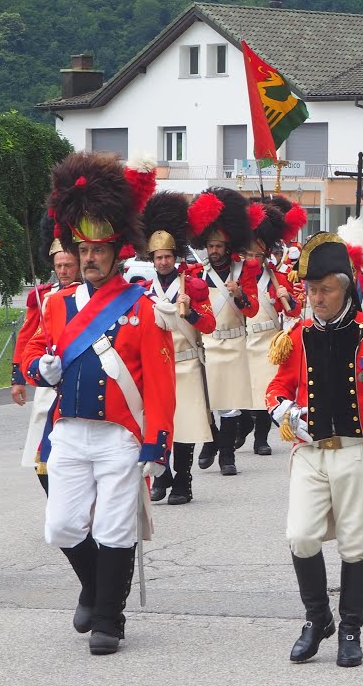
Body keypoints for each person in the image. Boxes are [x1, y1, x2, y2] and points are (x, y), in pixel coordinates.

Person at [20, 151, 174, 656]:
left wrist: (158, 444)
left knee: (114, 527)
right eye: (82, 249)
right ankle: (95, 587)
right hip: (67, 430)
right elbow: (33, 357)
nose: (88, 258)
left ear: (117, 252)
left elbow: (160, 384)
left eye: (97, 250)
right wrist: (37, 370)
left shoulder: (141, 307)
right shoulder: (57, 304)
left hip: (119, 434)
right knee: (62, 525)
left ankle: (110, 617)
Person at [265, 220, 363, 668]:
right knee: (301, 535)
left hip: (359, 451)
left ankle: (350, 628)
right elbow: (275, 388)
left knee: (355, 543)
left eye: (326, 289)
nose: (317, 298)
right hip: (310, 452)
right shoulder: (296, 336)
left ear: (345, 288)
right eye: (311, 290)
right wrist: (282, 411)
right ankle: (317, 618)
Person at [141, 191, 216, 505]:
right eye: (158, 257)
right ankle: (164, 477)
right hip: (157, 365)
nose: (163, 261)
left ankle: (183, 482)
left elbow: (210, 325)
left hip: (185, 362)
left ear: (175, 257)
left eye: (167, 256)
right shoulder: (145, 291)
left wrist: (193, 309)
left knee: (184, 425)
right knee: (160, 424)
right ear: (152, 260)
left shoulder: (192, 286)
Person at [187, 187, 259, 475]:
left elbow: (251, 310)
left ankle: (227, 456)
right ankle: (213, 441)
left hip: (235, 343)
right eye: (211, 246)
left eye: (219, 246)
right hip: (208, 344)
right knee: (210, 403)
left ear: (228, 246)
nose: (214, 250)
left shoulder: (244, 271)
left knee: (230, 406)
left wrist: (240, 293)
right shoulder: (196, 274)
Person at [11, 216, 81, 494]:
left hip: (76, 377)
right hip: (45, 379)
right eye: (58, 266)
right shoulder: (42, 296)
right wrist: (18, 377)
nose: (63, 271)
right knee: (40, 455)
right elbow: (27, 337)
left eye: (68, 265)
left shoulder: (90, 295)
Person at [241, 196, 306, 455]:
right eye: (248, 254)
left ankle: (261, 438)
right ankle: (243, 426)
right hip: (244, 337)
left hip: (269, 338)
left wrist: (286, 298)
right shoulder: (238, 277)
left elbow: (295, 310)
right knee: (245, 389)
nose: (252, 259)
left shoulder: (277, 278)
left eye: (257, 254)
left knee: (267, 386)